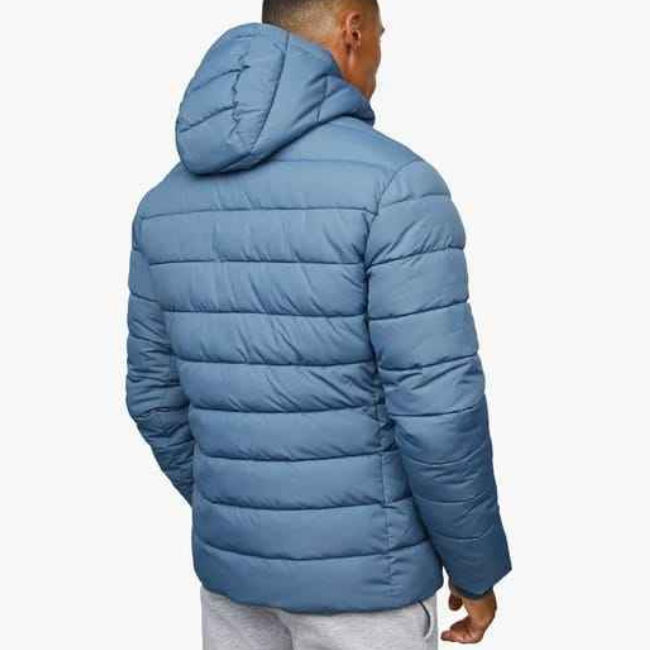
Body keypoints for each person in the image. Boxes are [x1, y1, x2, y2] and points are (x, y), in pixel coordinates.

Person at [126, 0, 511, 647]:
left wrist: (245, 517)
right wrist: (475, 568)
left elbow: (151, 397)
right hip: (367, 588)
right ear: (352, 30)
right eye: (381, 35)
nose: (381, 56)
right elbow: (438, 413)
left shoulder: (162, 204)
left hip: (234, 579)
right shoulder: (396, 188)